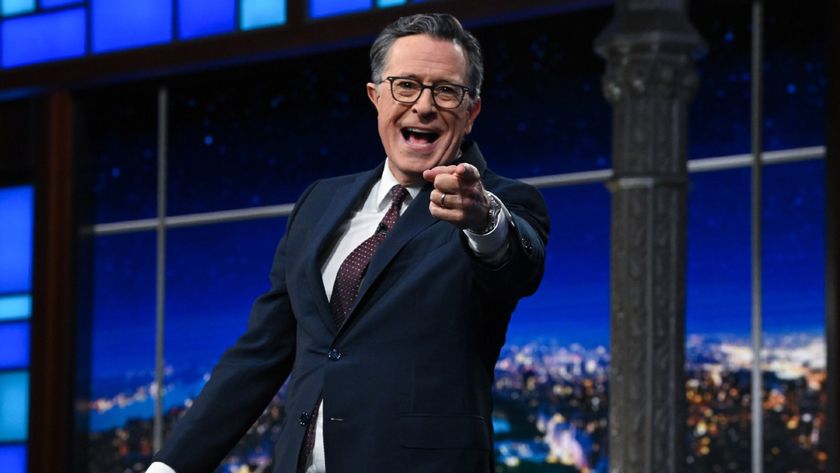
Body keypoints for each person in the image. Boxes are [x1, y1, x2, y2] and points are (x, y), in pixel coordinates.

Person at [145, 12, 549, 473]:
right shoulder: (319, 202)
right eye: (406, 85)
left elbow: (517, 264)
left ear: (471, 111)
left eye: (446, 90)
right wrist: (169, 467)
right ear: (376, 97)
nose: (423, 105)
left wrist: (484, 218)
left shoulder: (502, 202)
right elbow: (261, 352)